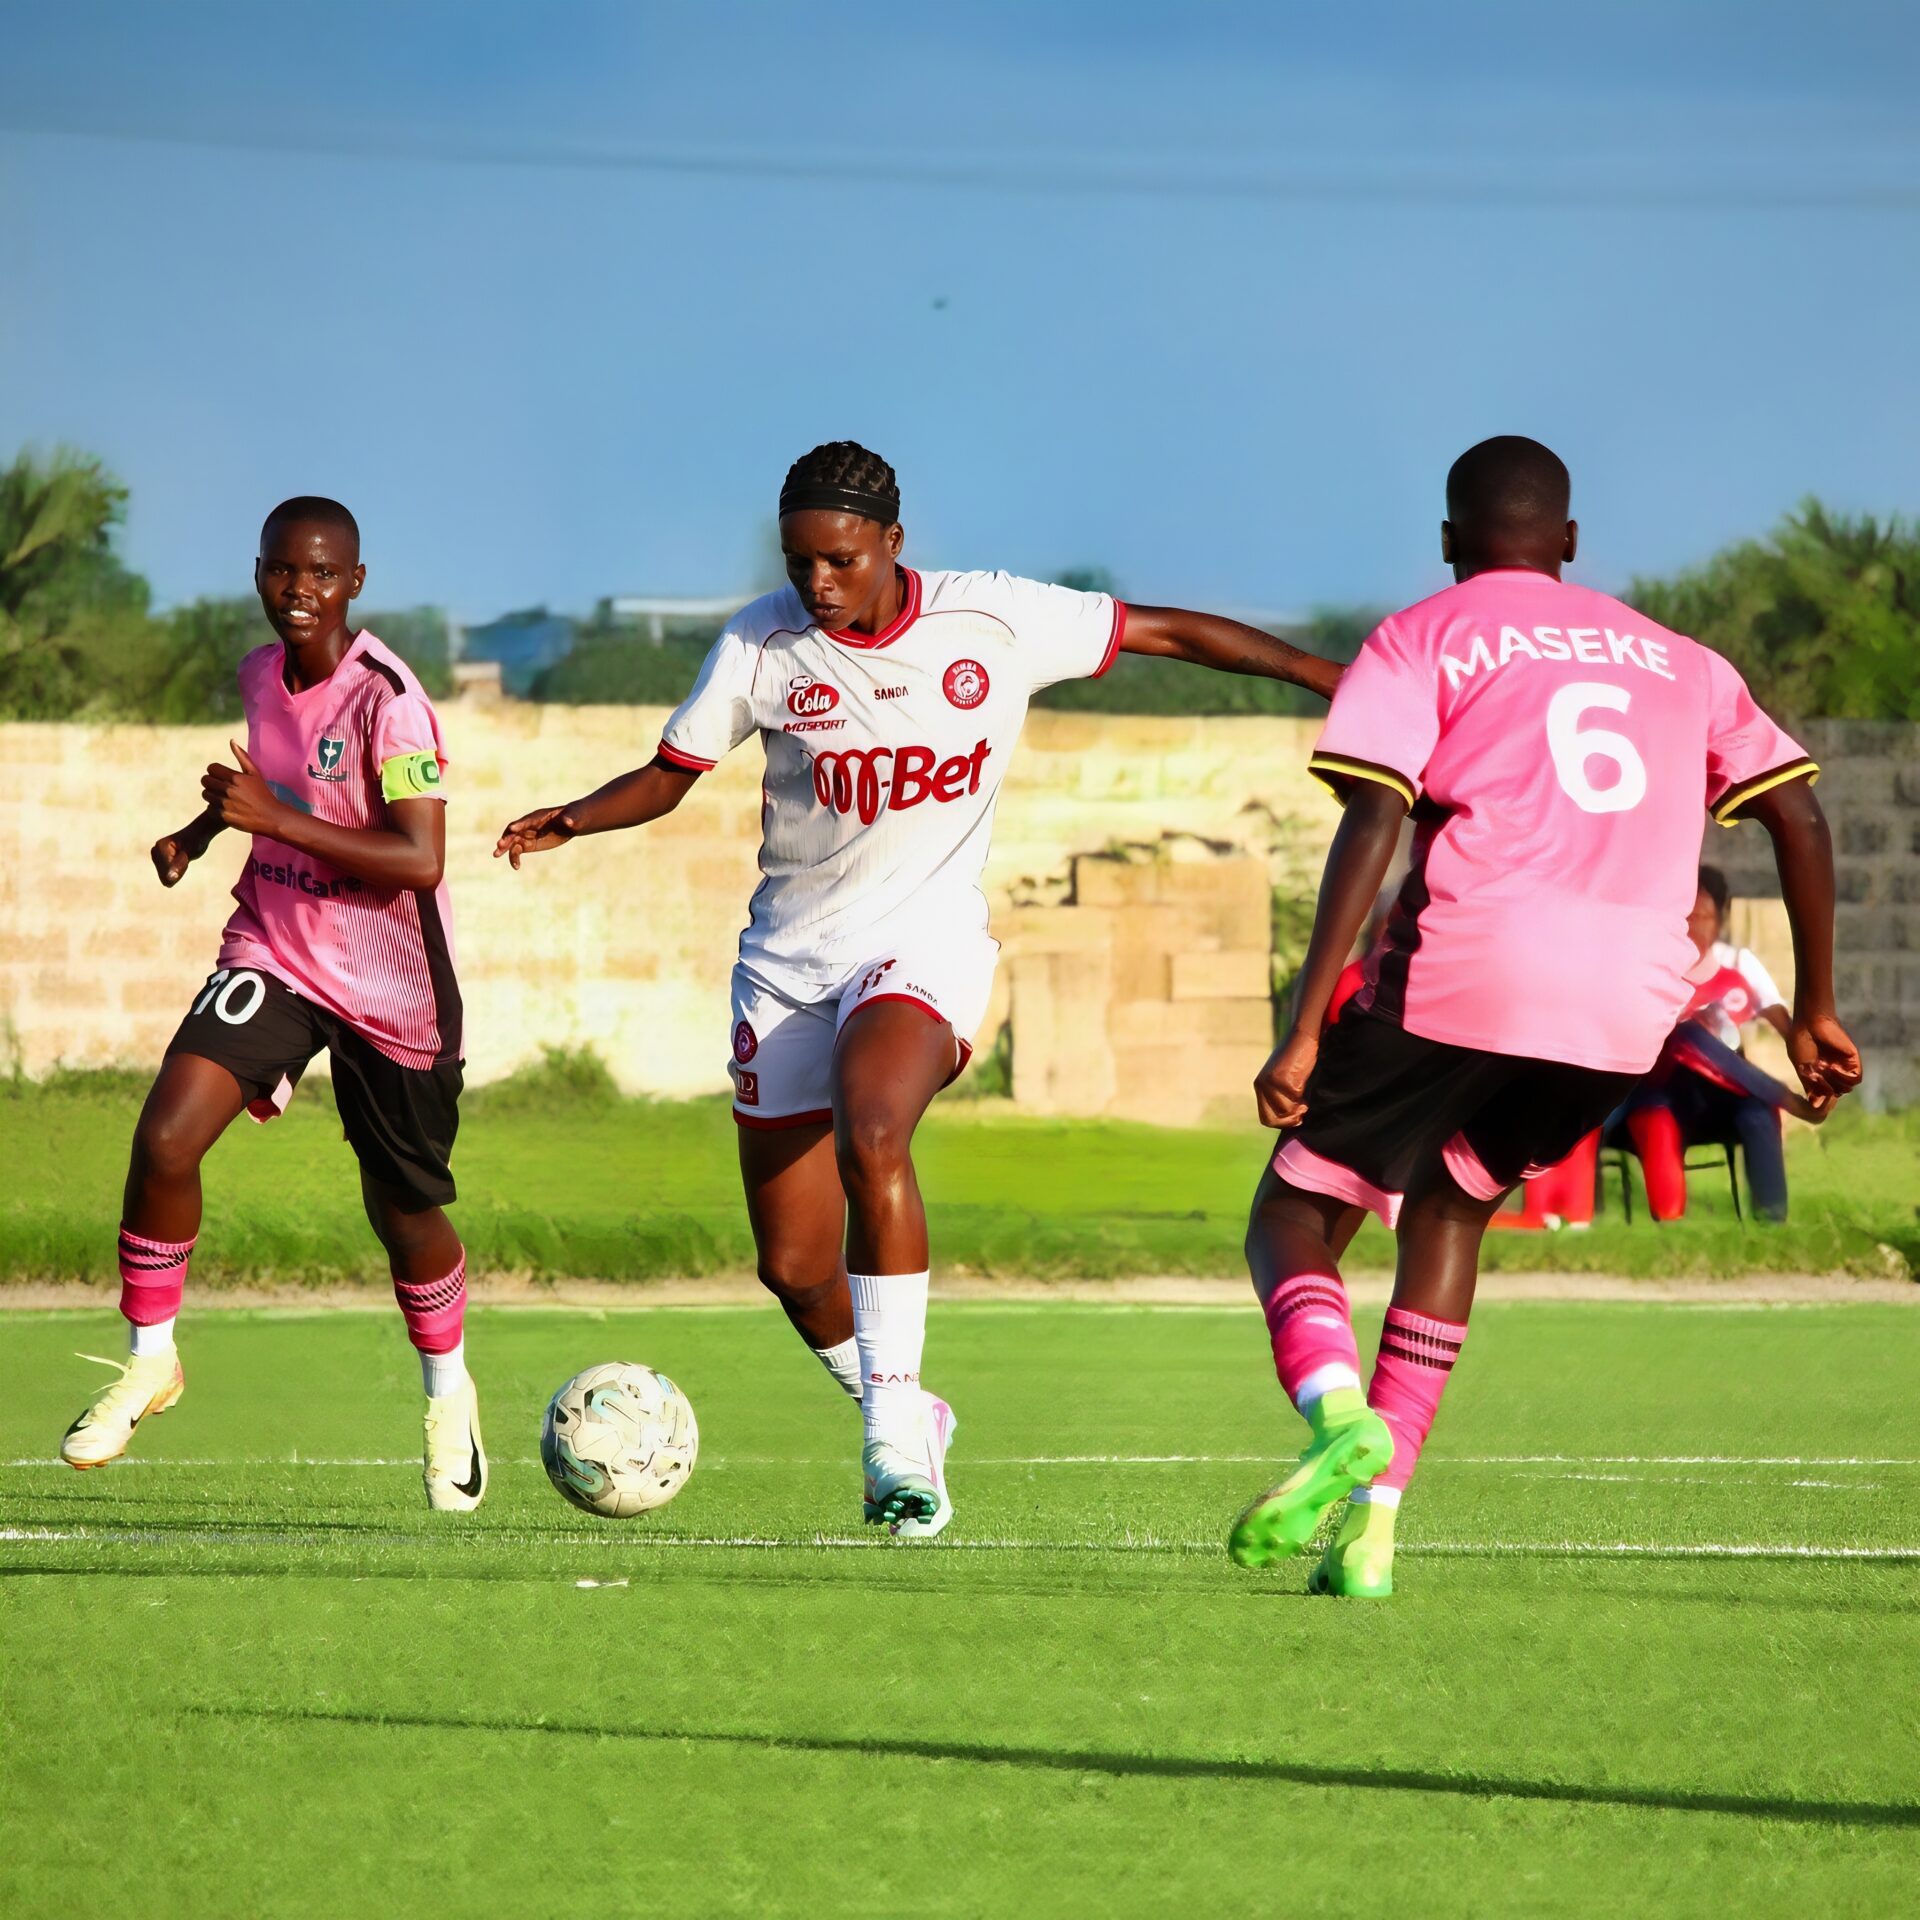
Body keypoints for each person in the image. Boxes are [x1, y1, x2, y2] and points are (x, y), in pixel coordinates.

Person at [496, 440, 1343, 1538]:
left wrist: (1329, 679)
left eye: (841, 559)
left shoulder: (992, 621)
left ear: (893, 543)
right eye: (801, 561)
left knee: (876, 1122)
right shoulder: (762, 642)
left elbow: (1168, 631)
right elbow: (674, 772)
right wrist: (577, 813)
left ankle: (893, 1449)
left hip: (923, 950)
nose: (818, 583)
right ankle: (909, 1408)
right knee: (797, 1268)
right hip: (788, 967)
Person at [1229, 435, 1860, 1598]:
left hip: (1469, 962)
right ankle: (1374, 1528)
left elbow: (1372, 824)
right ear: (1568, 543)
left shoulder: (1423, 634)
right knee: (1457, 1204)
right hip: (1626, 1003)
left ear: (1448, 542)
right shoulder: (1683, 659)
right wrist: (1813, 1009)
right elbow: (1800, 817)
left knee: (1294, 1209)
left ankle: (1334, 1419)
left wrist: (1307, 1021)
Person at [58, 498, 485, 1511]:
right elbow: (271, 786)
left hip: (392, 985)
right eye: (284, 571)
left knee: (405, 1210)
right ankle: (152, 1357)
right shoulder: (260, 675)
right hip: (279, 946)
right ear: (260, 575)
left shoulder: (390, 700)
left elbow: (420, 859)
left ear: (356, 584)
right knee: (166, 1136)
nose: (302, 590)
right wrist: (202, 831)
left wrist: (273, 816)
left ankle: (449, 1391)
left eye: (323, 573)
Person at [1618, 865, 1825, 1222]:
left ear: (1719, 922)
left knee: (1759, 1112)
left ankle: (1772, 1223)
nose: (1695, 927)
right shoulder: (1652, 966)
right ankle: (1788, 1100)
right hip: (1661, 1093)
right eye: (1688, 916)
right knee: (1688, 1036)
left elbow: (1788, 1030)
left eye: (1705, 917)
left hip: (1723, 1094)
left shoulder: (1738, 965)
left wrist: (1816, 1073)